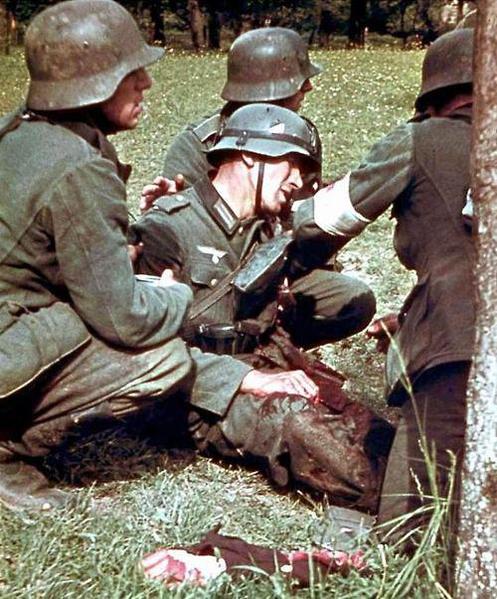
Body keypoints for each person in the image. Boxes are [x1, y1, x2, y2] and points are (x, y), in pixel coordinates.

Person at [0, 0, 337, 511]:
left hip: (13, 327)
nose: (146, 84)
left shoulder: (24, 133)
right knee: (163, 359)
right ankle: (7, 450)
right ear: (96, 83)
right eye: (132, 73)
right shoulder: (79, 167)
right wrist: (175, 295)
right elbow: (124, 320)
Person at [292, 28, 475, 535]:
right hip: (462, 334)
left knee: (411, 529)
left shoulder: (420, 140)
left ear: (437, 97)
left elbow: (319, 222)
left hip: (460, 353)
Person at [131, 103, 376, 355]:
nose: (297, 180)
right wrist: (249, 380)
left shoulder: (267, 229)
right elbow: (149, 353)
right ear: (249, 154)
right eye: (291, 163)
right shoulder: (168, 228)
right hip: (194, 379)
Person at [140, 26, 323, 212]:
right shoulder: (197, 146)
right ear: (272, 90)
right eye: (300, 81)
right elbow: (180, 223)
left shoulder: (302, 136)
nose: (308, 87)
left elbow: (302, 213)